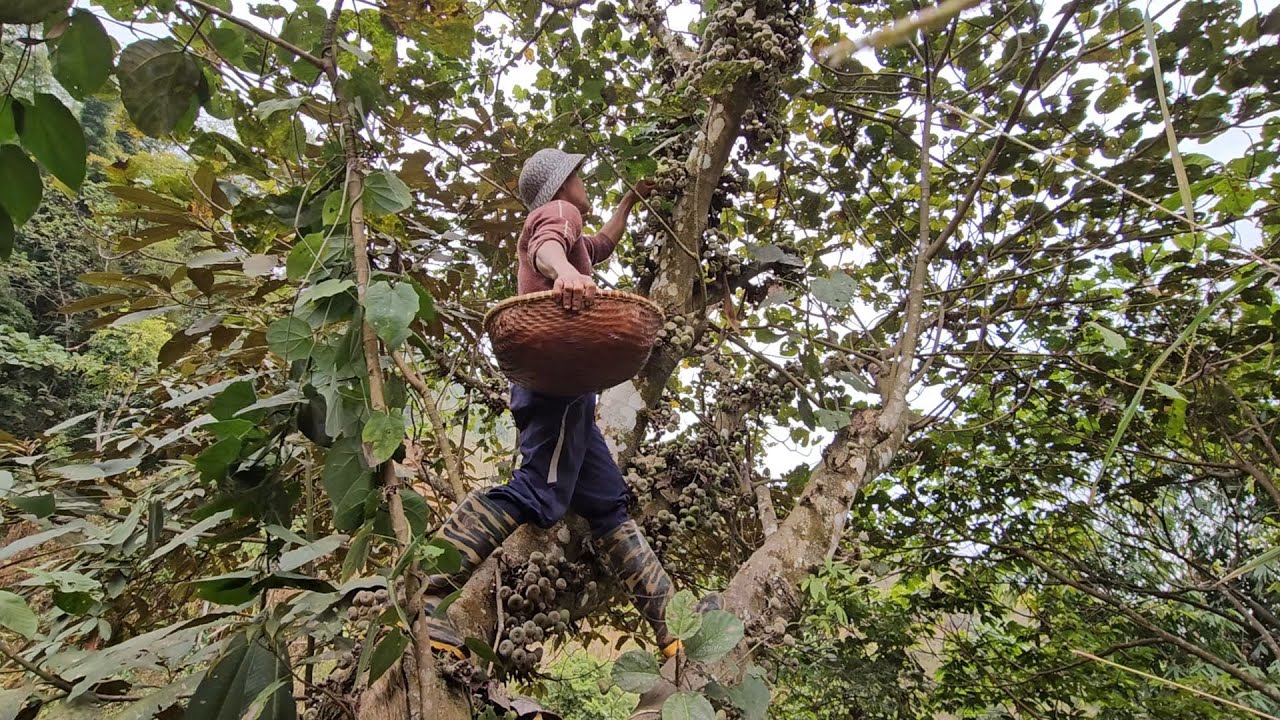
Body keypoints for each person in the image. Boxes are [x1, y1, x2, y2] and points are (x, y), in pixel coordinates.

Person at [421, 148, 692, 661]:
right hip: (559, 390)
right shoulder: (556, 216)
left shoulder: (572, 226)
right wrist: (565, 272)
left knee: (608, 504)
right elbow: (549, 247)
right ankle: (426, 590)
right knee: (538, 492)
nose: (586, 183)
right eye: (580, 175)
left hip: (567, 396)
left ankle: (670, 624)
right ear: (561, 185)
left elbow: (603, 244)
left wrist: (631, 201)